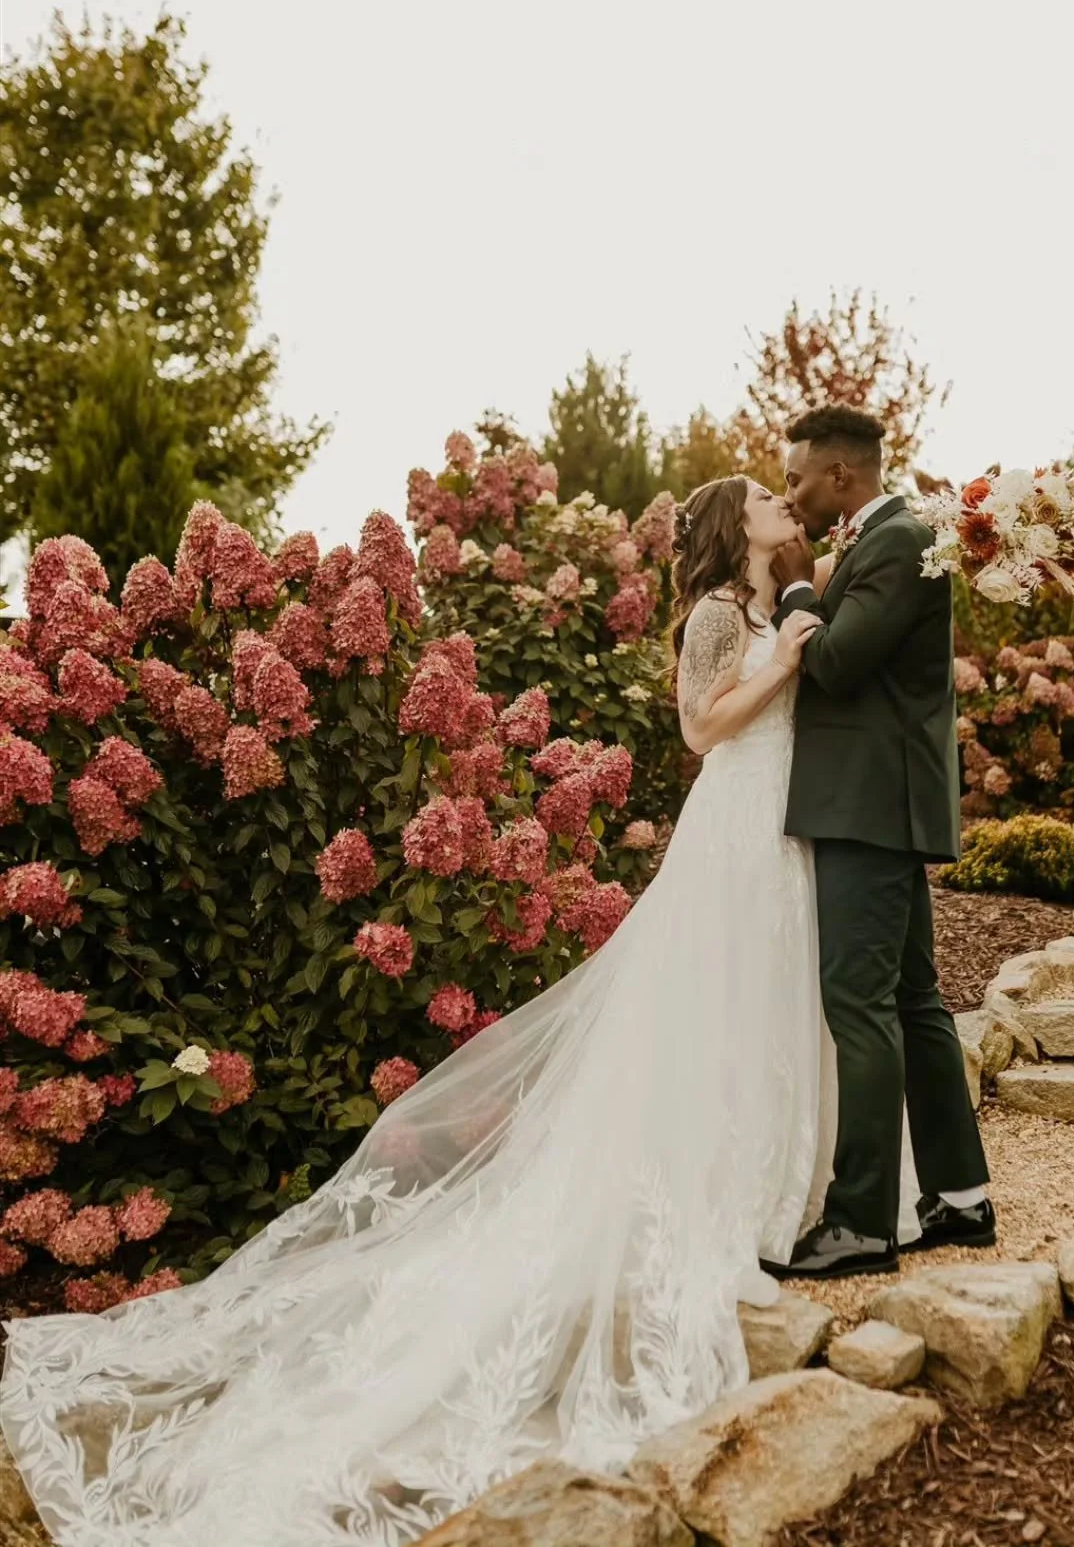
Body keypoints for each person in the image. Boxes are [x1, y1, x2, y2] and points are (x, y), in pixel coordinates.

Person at [0, 474, 875, 1547]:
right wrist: (783, 660)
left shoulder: (769, 603)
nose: (788, 506)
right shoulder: (714, 618)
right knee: (719, 993)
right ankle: (721, 1194)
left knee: (769, 993)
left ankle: (777, 1181)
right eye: (770, 502)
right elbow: (700, 732)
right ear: (735, 528)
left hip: (783, 825)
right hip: (734, 816)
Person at [766, 404, 993, 1280]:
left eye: (795, 478)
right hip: (878, 802)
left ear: (838, 476)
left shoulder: (896, 540)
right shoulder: (890, 536)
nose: (790, 494)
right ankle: (961, 1200)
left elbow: (837, 661)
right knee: (912, 999)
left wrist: (794, 588)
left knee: (859, 1005)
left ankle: (861, 1220)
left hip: (869, 805)